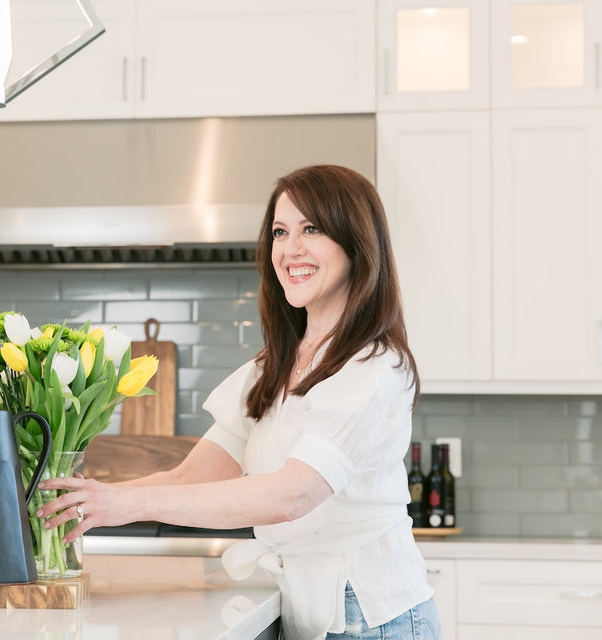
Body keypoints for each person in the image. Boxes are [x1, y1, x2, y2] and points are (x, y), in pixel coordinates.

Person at [37, 164, 441, 640]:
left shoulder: (373, 368)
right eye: (280, 231)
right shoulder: (272, 367)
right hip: (306, 606)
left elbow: (291, 495)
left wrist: (123, 503)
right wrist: (96, 499)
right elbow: (193, 475)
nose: (291, 249)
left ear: (356, 242)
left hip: (372, 614)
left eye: (311, 228)